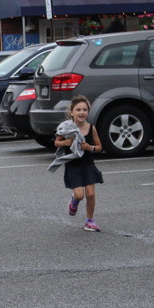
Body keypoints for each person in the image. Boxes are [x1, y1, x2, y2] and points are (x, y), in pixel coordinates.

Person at [50, 95, 103, 231]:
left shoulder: (91, 128)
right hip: (73, 165)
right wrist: (66, 142)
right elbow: (56, 142)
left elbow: (99, 147)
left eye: (85, 110)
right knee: (80, 195)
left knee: (90, 194)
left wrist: (90, 148)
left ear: (88, 112)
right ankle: (74, 200)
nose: (82, 112)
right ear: (72, 113)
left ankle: (89, 221)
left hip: (88, 164)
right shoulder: (66, 127)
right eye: (78, 110)